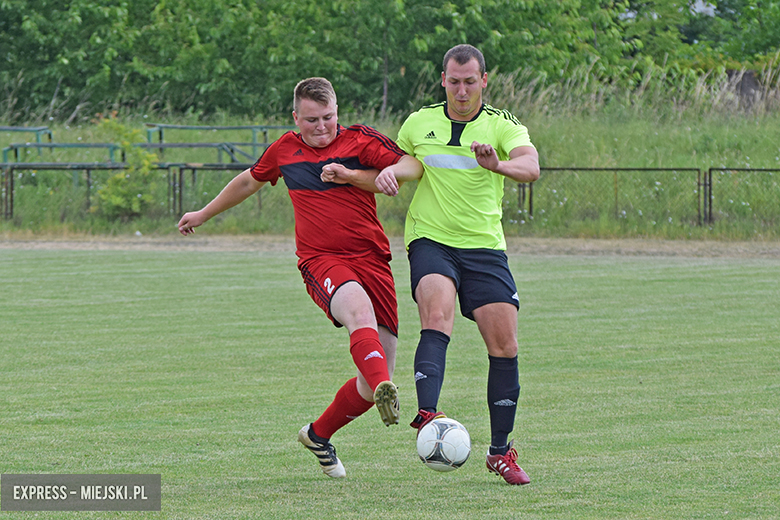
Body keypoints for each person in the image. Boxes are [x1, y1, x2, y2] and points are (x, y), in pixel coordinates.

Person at [177, 77, 422, 479]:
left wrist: (389, 173)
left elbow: (411, 163)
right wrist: (203, 213)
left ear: (337, 112)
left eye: (328, 117)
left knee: (372, 376)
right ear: (296, 117)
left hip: (373, 260)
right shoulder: (284, 150)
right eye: (311, 120)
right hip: (321, 259)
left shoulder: (360, 142)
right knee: (357, 312)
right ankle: (386, 390)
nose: (321, 126)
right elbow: (247, 182)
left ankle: (318, 434)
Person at [377, 44, 540, 485]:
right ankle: (428, 413)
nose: (462, 90)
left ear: (484, 80)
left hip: (485, 247)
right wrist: (394, 172)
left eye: (470, 82)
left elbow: (531, 167)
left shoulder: (503, 125)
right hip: (430, 239)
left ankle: (500, 452)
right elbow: (411, 161)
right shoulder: (419, 121)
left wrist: (498, 165)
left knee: (504, 346)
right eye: (454, 81)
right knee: (437, 313)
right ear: (443, 79)